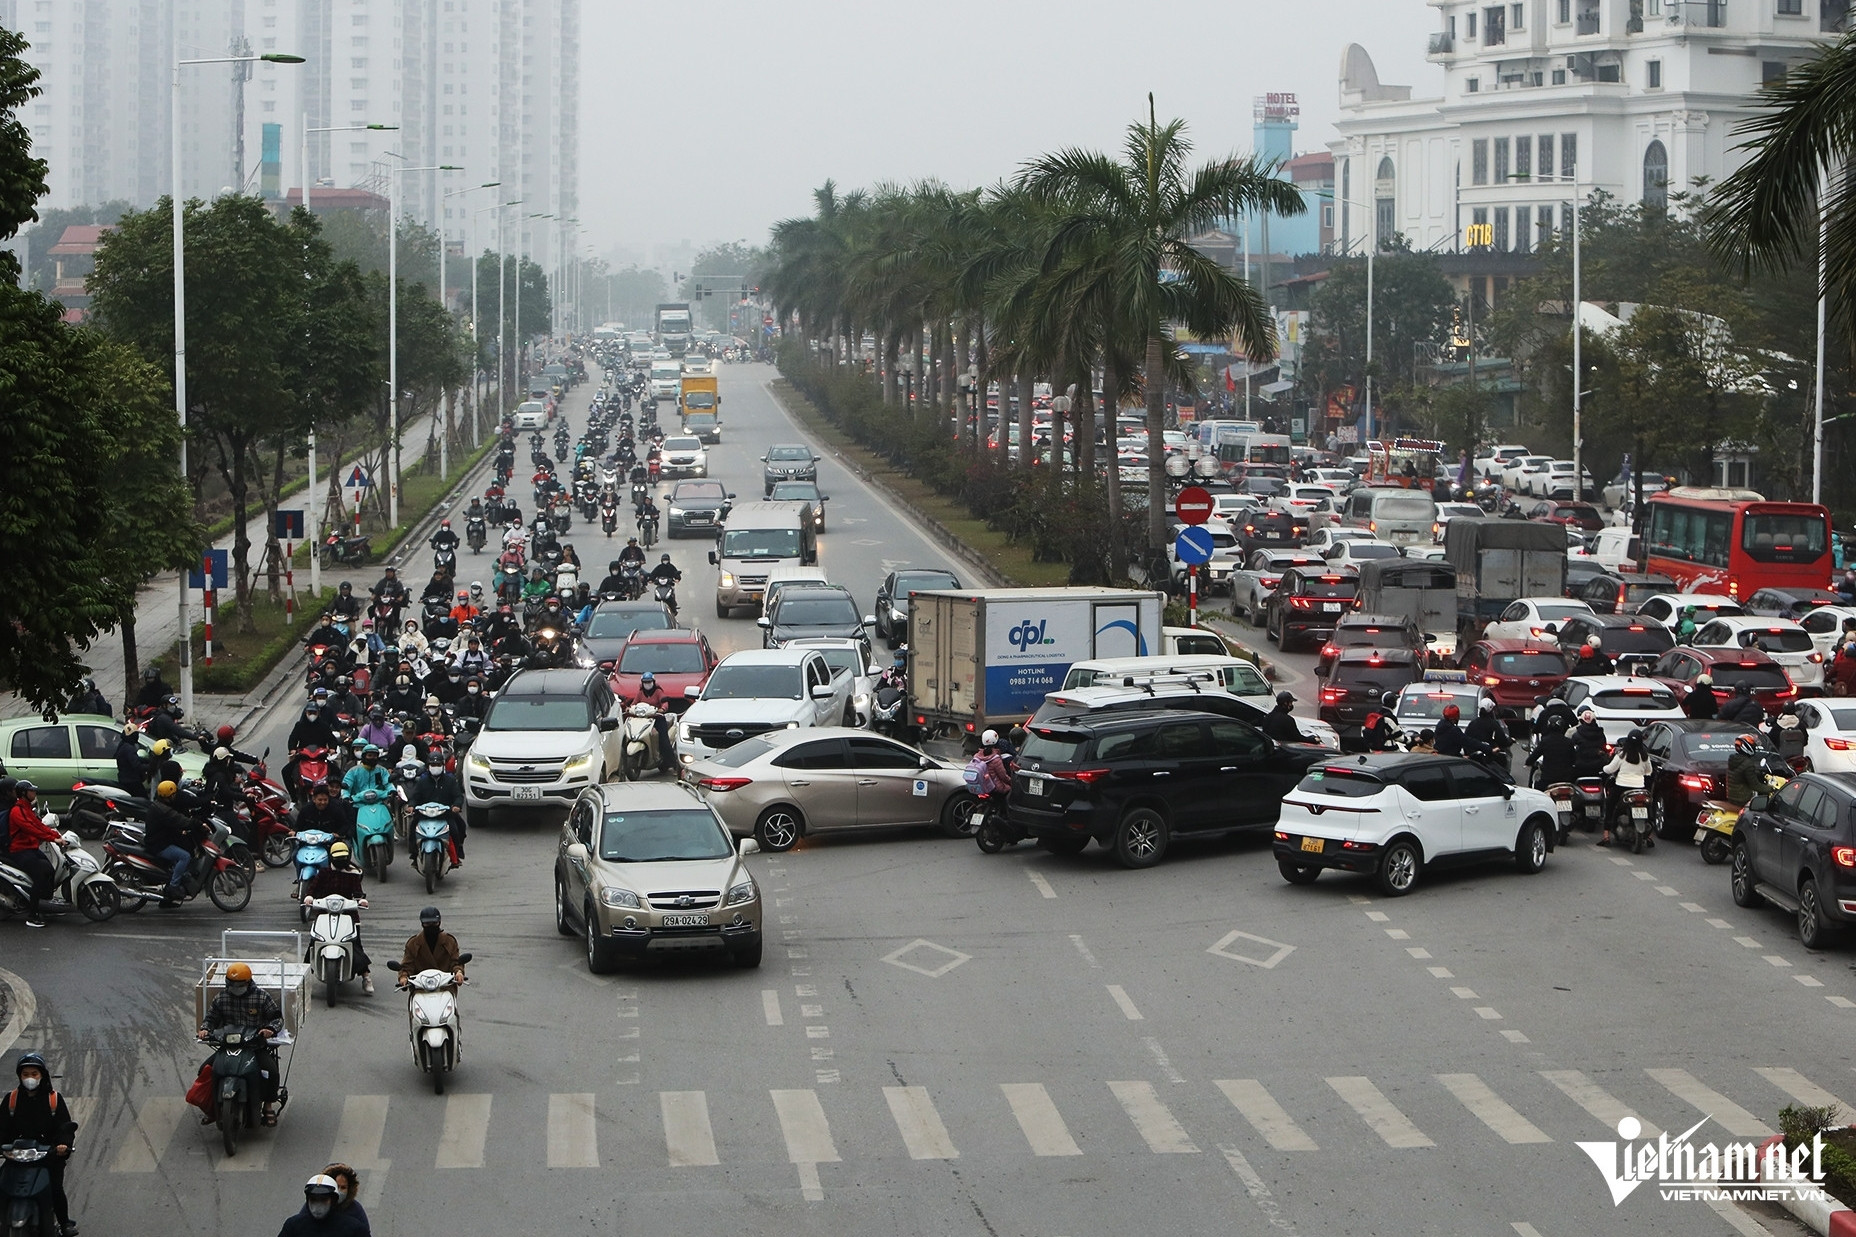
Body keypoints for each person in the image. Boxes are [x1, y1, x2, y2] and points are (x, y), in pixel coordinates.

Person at [0, 1052, 78, 1236]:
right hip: (17, 1157)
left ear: (41, 1075)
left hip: (48, 1157)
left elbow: (65, 1128)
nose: (30, 1078)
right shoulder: (11, 1100)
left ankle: (64, 1222)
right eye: (25, 1074)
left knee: (56, 1189)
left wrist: (62, 1146)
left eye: (34, 1074)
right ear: (20, 1076)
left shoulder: (54, 1100)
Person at [198, 962, 283, 1126]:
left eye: (240, 984)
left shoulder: (261, 997)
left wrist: (270, 1029)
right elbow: (210, 1019)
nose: (237, 987)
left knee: (271, 1072)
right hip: (228, 1046)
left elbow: (277, 1018)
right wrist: (205, 1029)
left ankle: (268, 1105)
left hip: (254, 1046)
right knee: (205, 1070)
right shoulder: (221, 998)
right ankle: (212, 1108)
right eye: (233, 984)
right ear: (228, 983)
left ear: (248, 982)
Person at [302, 842, 374, 995]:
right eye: (337, 858)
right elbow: (313, 888)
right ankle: (304, 978)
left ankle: (366, 977)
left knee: (356, 944)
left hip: (348, 914)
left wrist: (360, 900)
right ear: (331, 858)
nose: (341, 861)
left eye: (343, 858)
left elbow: (358, 892)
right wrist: (309, 897)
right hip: (324, 913)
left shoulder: (353, 874)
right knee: (313, 942)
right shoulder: (324, 873)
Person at [8, 783, 62, 929]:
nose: (34, 793)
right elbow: (31, 829)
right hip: (20, 851)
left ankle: (45, 905)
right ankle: (32, 915)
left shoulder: (27, 808)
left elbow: (39, 825)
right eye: (32, 791)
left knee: (50, 870)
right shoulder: (17, 811)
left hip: (31, 848)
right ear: (24, 793)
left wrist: (56, 835)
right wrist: (53, 839)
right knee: (39, 876)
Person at [144, 780, 202, 908]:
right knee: (184, 856)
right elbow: (178, 819)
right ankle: (174, 886)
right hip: (159, 845)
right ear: (168, 797)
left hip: (160, 841)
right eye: (174, 795)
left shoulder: (158, 805)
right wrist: (197, 823)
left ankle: (169, 896)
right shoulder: (163, 810)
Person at [1600, 730, 1652, 848]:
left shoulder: (1621, 755)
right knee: (1649, 807)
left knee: (1610, 805)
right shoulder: (1644, 756)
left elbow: (1610, 769)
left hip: (1621, 787)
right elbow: (1649, 772)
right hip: (1639, 787)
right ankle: (1649, 837)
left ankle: (1606, 835)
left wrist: (1603, 768)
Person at [412, 754, 466, 861]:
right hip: (425, 814)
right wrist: (411, 806)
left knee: (458, 827)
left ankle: (457, 850)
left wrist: (456, 805)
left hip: (445, 814)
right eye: (433, 764)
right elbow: (415, 796)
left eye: (438, 764)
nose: (435, 767)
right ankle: (414, 854)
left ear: (443, 765)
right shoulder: (422, 781)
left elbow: (458, 796)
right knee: (412, 827)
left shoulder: (450, 781)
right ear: (428, 766)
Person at [398, 906, 467, 988]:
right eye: (427, 924)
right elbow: (407, 965)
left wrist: (458, 972)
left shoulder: (449, 941)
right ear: (422, 924)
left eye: (434, 923)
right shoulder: (413, 944)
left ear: (439, 922)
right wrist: (403, 977)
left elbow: (455, 962)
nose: (431, 927)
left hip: (445, 987)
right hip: (420, 988)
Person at [296, 781, 358, 850]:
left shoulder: (336, 808)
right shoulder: (306, 809)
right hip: (309, 842)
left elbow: (345, 824)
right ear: (314, 799)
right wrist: (294, 832)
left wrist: (338, 834)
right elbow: (298, 825)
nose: (323, 803)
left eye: (325, 800)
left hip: (331, 842)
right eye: (320, 800)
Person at [320, 1163, 371, 1236]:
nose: (339, 1191)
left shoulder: (356, 1211)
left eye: (343, 1187)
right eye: (336, 1186)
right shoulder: (315, 1205)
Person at [1526, 720, 1578, 790]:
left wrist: (1528, 762)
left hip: (1548, 779)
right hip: (1566, 779)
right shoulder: (1568, 742)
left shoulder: (1545, 741)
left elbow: (1534, 756)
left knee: (1538, 793)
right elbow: (1574, 759)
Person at [1463, 698, 1511, 765]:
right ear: (1491, 710)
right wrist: (1509, 741)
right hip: (1490, 759)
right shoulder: (1493, 724)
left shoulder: (1472, 724)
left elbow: (1466, 741)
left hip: (1473, 760)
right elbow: (1502, 741)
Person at [1725, 733, 1767, 807]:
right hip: (1743, 799)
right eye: (1753, 745)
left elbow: (1739, 774)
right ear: (1747, 747)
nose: (1754, 747)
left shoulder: (1733, 759)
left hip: (1733, 797)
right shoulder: (1748, 763)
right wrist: (1771, 788)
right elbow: (1755, 785)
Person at [114, 724, 151, 796]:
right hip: (131, 781)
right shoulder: (129, 748)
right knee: (143, 800)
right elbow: (137, 766)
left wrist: (145, 760)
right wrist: (151, 767)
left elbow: (132, 759)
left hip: (124, 779)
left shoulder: (123, 744)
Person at [1571, 709, 1610, 779]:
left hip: (1580, 767)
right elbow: (1604, 749)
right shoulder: (1601, 734)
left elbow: (1572, 750)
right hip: (1598, 767)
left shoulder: (1576, 735)